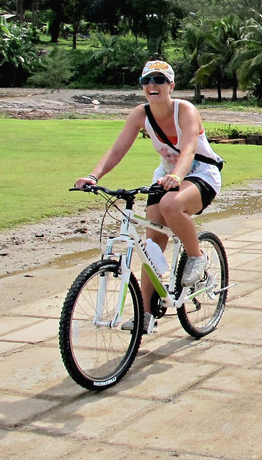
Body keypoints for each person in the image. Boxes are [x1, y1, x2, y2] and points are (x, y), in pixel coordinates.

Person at [74, 61, 223, 333]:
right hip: (166, 177)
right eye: (147, 81)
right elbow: (117, 150)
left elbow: (189, 149)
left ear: (171, 85)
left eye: (159, 80)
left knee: (171, 204)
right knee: (150, 245)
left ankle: (196, 256)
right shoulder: (140, 114)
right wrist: (93, 176)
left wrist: (177, 175)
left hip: (201, 173)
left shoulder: (185, 110)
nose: (152, 85)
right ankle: (145, 313)